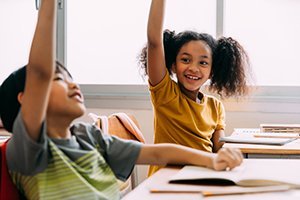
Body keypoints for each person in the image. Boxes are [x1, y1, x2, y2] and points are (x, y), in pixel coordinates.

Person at [0, 0, 243, 199]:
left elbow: (158, 153)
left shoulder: (89, 137)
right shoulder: (30, 147)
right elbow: (40, 73)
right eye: (59, 80)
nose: (73, 83)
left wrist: (213, 159)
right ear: (28, 97)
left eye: (70, 77)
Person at [138, 0, 251, 176]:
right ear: (173, 65)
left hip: (203, 174)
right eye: (185, 59)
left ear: (212, 71)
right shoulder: (165, 93)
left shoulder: (215, 106)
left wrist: (230, 153)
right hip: (166, 178)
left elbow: (218, 147)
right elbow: (154, 42)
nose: (193, 68)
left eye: (203, 62)